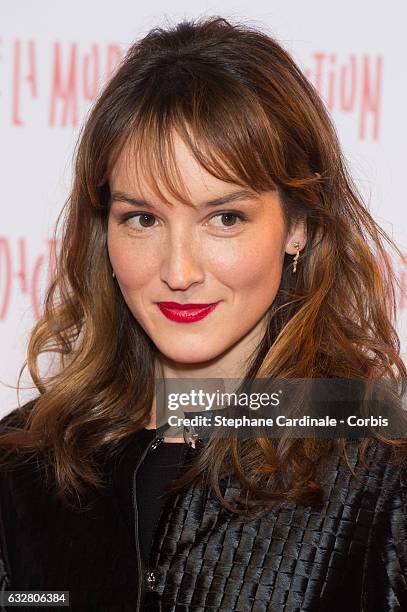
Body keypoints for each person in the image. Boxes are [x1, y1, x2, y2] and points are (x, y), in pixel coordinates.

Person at [0, 15, 406, 612]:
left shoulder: (378, 465)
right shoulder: (23, 464)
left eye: (225, 218)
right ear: (104, 232)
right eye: (143, 218)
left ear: (297, 225)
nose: (179, 272)